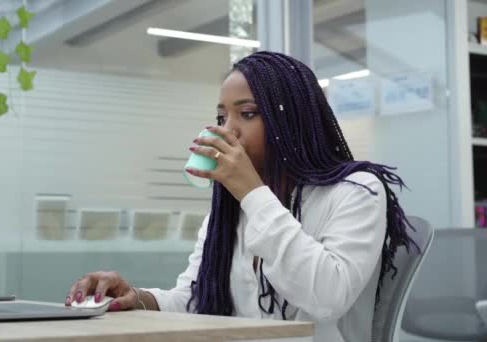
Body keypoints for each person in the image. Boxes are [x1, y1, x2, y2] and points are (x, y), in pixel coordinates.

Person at [65, 51, 417, 342]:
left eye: (246, 113)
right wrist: (139, 299)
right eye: (221, 115)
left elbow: (327, 298)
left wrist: (251, 191)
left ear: (291, 121)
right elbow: (198, 300)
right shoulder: (231, 208)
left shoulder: (356, 190)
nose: (226, 129)